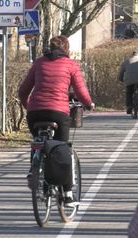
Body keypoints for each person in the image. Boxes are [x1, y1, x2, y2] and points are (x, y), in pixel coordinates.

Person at [18, 35, 94, 207]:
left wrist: (29, 106)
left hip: (35, 113)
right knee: (62, 148)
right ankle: (67, 194)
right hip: (58, 113)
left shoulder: (38, 63)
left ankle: (33, 170)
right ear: (66, 49)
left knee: (38, 141)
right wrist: (89, 104)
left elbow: (23, 90)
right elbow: (80, 90)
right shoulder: (71, 65)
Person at [118, 50, 138, 115]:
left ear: (132, 55)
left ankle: (129, 106)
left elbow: (121, 73)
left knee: (129, 92)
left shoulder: (126, 62)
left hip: (129, 80)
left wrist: (121, 79)